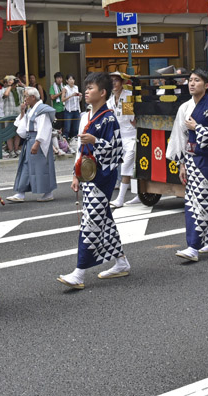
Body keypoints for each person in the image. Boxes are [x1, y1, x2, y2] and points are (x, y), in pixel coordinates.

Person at [57, 72, 130, 287]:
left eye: (91, 88)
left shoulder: (109, 118)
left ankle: (80, 271)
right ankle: (121, 261)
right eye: (86, 88)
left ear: (103, 92)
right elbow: (81, 148)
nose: (86, 91)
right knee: (103, 218)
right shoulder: (85, 116)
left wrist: (96, 141)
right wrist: (75, 174)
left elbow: (117, 151)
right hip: (87, 173)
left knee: (90, 221)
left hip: (103, 175)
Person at [168, 68, 208, 261]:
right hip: (191, 158)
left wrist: (198, 128)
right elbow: (180, 135)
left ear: (207, 85)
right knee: (194, 201)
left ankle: (193, 246)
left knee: (201, 201)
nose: (192, 83)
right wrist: (181, 163)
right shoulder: (185, 107)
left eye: (197, 80)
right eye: (190, 80)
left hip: (207, 159)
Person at [8, 87, 57, 203]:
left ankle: (48, 192)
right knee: (26, 165)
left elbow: (44, 127)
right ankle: (21, 193)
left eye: (26, 96)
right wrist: (22, 111)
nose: (24, 99)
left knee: (42, 166)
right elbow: (21, 125)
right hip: (30, 140)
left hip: (37, 140)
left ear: (33, 97)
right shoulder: (30, 110)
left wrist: (37, 142)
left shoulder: (42, 110)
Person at [108, 71, 140, 208]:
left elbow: (132, 120)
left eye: (117, 80)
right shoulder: (110, 100)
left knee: (126, 167)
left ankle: (120, 199)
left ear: (122, 83)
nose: (114, 83)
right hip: (120, 137)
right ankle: (139, 194)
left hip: (132, 135)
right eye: (112, 80)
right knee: (130, 167)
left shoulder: (127, 97)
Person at [0, 76, 22, 157]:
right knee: (8, 133)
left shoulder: (19, 90)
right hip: (8, 114)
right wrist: (10, 86)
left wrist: (20, 83)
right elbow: (6, 94)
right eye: (11, 80)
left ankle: (16, 149)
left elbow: (28, 90)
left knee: (18, 132)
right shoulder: (3, 90)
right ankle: (11, 150)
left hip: (18, 113)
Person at [61, 74, 82, 141]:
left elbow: (79, 100)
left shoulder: (76, 87)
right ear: (67, 81)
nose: (72, 81)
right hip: (68, 111)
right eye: (70, 79)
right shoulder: (65, 88)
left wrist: (80, 96)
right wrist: (71, 95)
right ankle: (65, 144)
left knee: (76, 128)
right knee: (67, 128)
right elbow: (62, 99)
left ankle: (75, 143)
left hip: (76, 109)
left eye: (73, 79)